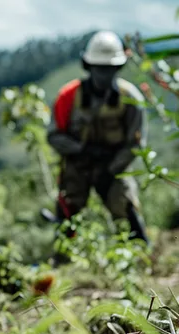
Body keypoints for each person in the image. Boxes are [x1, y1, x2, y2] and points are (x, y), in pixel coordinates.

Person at [47, 30, 148, 245]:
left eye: (109, 69)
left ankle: (138, 256)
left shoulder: (130, 99)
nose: (104, 75)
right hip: (77, 167)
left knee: (126, 209)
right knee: (67, 216)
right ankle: (64, 262)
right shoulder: (69, 96)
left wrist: (110, 170)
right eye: (100, 69)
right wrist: (81, 150)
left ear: (118, 68)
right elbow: (54, 135)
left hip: (114, 168)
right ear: (88, 66)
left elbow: (135, 143)